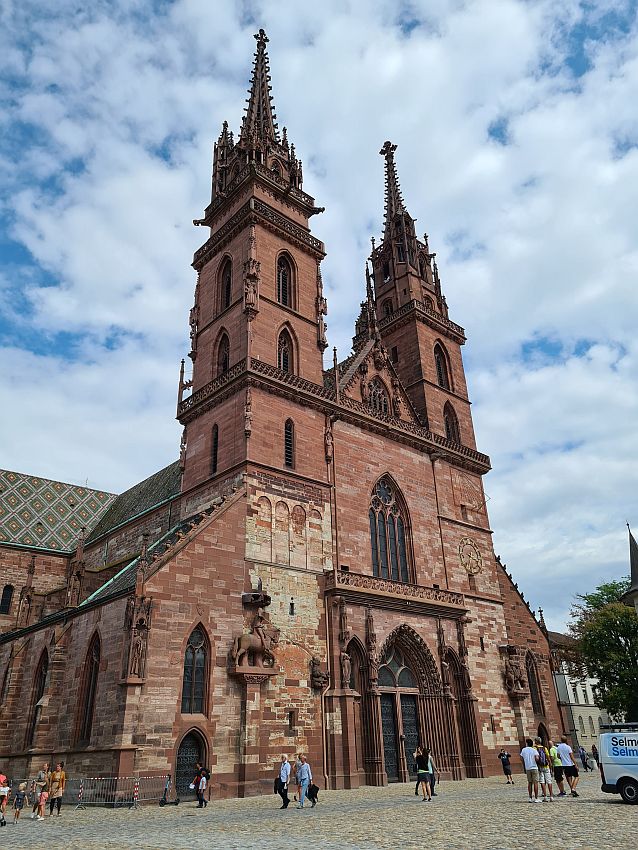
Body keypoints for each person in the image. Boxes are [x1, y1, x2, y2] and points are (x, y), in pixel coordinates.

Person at [520, 737, 540, 802]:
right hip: (534, 767)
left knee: (530, 783)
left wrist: (525, 762)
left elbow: (521, 758)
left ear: (527, 744)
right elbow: (537, 758)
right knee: (536, 783)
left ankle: (530, 798)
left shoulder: (523, 750)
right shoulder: (534, 750)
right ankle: (536, 798)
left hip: (527, 768)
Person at [534, 737, 554, 801]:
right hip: (546, 766)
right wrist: (550, 767)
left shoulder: (534, 748)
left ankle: (545, 796)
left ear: (536, 742)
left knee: (542, 782)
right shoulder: (544, 748)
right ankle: (551, 796)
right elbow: (548, 758)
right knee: (549, 781)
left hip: (539, 767)